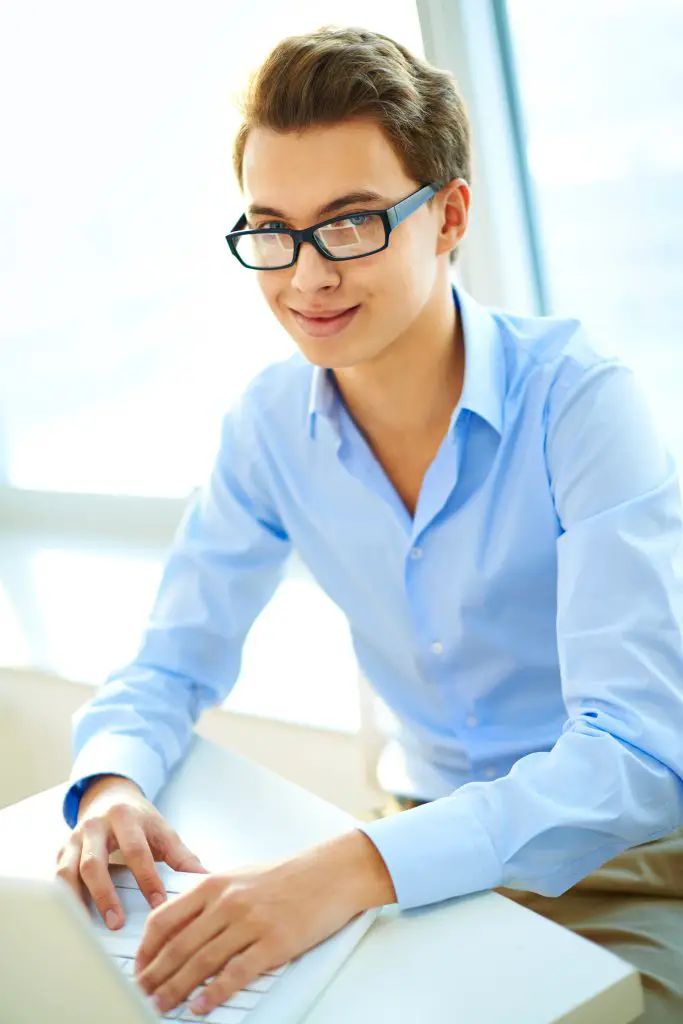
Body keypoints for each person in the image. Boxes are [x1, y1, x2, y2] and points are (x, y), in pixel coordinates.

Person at [56, 23, 683, 1022]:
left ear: (447, 217)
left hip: (626, 865)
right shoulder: (267, 426)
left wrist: (348, 868)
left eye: (349, 223)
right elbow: (171, 661)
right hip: (413, 845)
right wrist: (113, 784)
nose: (304, 277)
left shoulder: (580, 400)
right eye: (271, 228)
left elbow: (638, 754)